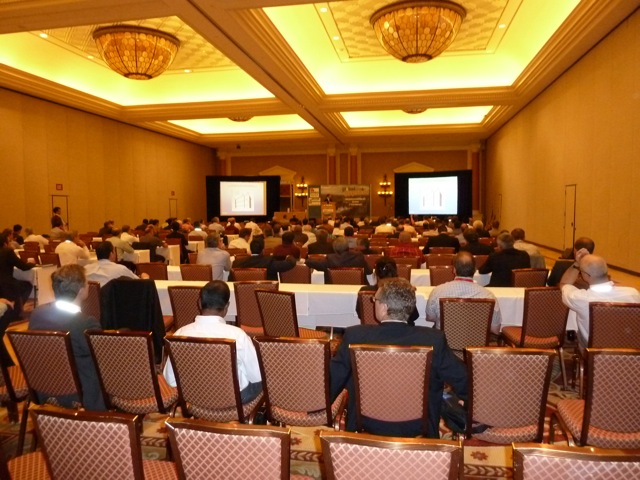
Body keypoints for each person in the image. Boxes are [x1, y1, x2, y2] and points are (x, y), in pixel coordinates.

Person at [331, 277, 467, 438]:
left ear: (384, 307)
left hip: (365, 424)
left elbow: (333, 378)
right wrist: (468, 402)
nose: (373, 302)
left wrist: (319, 406)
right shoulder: (433, 339)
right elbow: (463, 378)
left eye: (375, 300)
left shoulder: (355, 336)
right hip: (418, 426)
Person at [163, 281, 262, 403]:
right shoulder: (238, 335)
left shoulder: (179, 334)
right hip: (233, 400)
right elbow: (257, 375)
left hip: (194, 398)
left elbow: (170, 379)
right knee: (263, 376)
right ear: (226, 307)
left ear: (199, 303)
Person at [28, 264, 105, 411]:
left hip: (42, 386)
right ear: (81, 290)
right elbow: (102, 358)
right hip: (80, 392)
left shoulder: (37, 314)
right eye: (87, 283)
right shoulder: (86, 323)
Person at [560, 252, 640, 348]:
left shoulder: (580, 298)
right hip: (629, 348)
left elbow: (564, 283)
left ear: (585, 275)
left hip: (593, 350)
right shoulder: (633, 293)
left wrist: (577, 264)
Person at [426, 252, 502, 334]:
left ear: (454, 269)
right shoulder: (488, 296)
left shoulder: (438, 291)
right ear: (474, 270)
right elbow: (495, 329)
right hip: (475, 341)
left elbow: (430, 317)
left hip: (444, 340)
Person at [357, 257, 419, 325]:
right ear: (396, 271)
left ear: (376, 273)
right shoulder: (404, 291)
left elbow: (360, 314)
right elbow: (414, 316)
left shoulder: (364, 290)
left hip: (371, 330)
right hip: (403, 330)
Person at [305, 237, 372, 283]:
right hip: (358, 289)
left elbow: (315, 263)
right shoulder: (359, 256)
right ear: (347, 246)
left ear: (334, 248)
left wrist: (305, 260)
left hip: (334, 291)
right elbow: (369, 271)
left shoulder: (330, 259)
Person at [0, 232, 35, 317]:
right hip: (6, 283)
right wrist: (31, 263)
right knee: (27, 285)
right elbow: (23, 267)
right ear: (5, 243)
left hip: (4, 282)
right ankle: (16, 311)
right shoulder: (7, 251)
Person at [231, 238, 296, 281]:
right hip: (266, 294)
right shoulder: (270, 262)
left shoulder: (237, 263)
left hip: (244, 293)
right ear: (263, 250)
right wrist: (289, 257)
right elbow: (290, 263)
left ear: (250, 250)